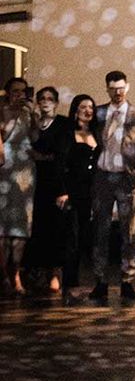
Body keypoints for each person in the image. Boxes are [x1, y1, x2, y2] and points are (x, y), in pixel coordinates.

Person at [89, 70, 135, 303]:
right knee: (100, 230)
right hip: (103, 177)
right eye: (113, 89)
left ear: (128, 87)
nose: (117, 93)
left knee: (130, 232)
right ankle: (100, 280)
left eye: (121, 88)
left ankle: (127, 281)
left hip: (127, 179)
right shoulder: (99, 113)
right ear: (107, 89)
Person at [26, 86, 72, 295]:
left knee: (56, 227)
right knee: (37, 227)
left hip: (55, 181)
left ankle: (55, 272)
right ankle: (38, 271)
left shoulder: (63, 124)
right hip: (33, 181)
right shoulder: (34, 123)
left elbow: (61, 154)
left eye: (50, 98)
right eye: (42, 99)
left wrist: (43, 157)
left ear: (56, 102)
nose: (45, 102)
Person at [61, 94, 99, 302]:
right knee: (72, 238)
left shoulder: (96, 133)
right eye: (83, 107)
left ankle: (85, 282)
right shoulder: (68, 133)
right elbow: (61, 164)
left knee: (86, 237)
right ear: (75, 111)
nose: (88, 110)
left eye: (91, 107)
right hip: (73, 191)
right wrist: (62, 191)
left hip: (91, 192)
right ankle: (70, 284)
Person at [0, 77, 35, 298]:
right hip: (5, 166)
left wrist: (32, 115)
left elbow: (36, 138)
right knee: (3, 225)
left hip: (25, 169)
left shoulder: (28, 114)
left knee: (22, 223)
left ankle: (17, 274)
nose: (19, 95)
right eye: (15, 91)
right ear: (7, 93)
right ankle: (4, 275)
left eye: (23, 91)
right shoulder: (1, 112)